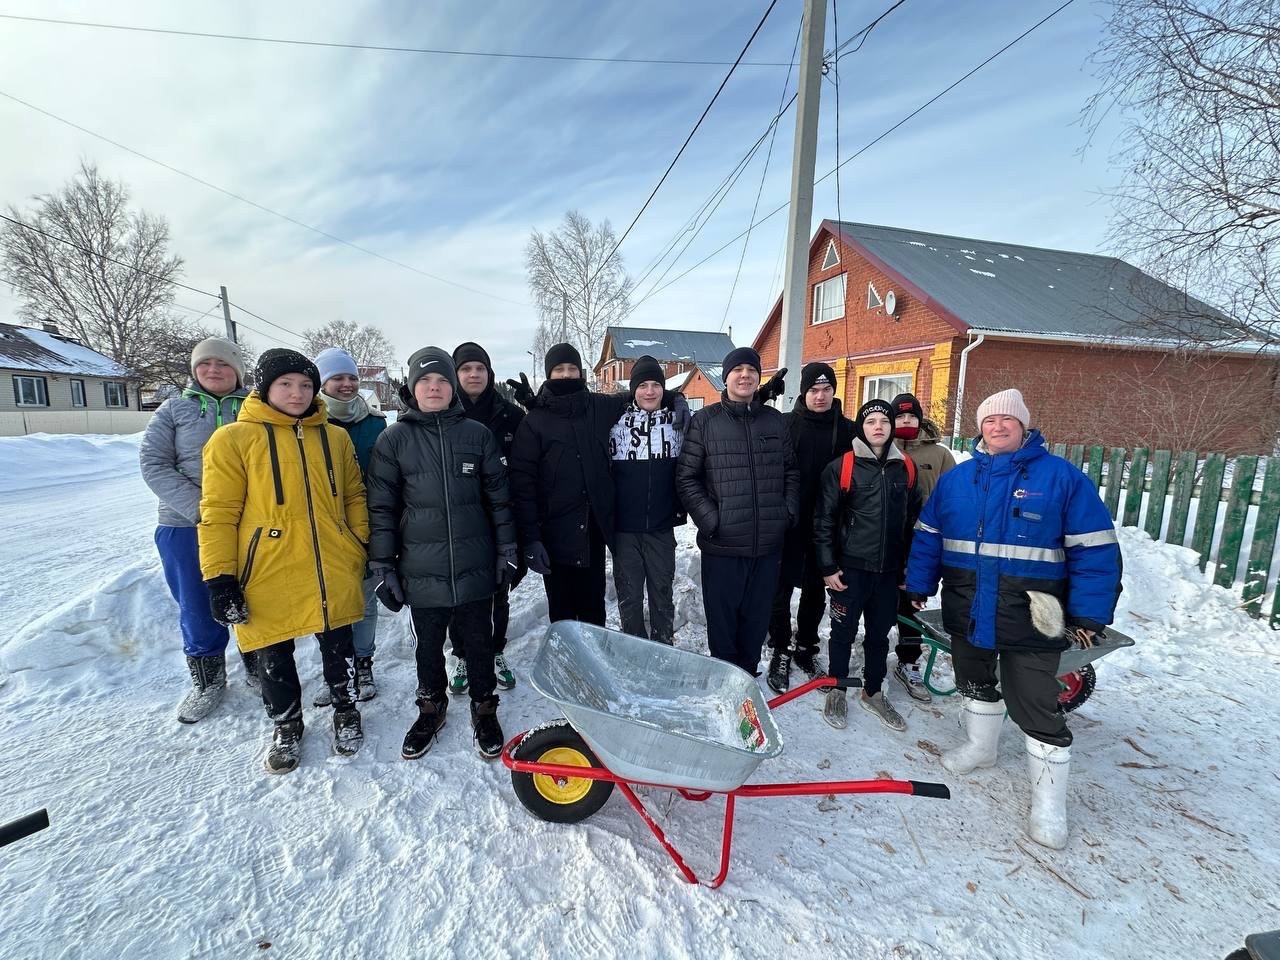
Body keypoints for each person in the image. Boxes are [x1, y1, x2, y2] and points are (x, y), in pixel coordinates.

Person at [904, 388, 1122, 849]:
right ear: (979, 428)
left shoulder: (1061, 478)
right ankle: (982, 749)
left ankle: (1049, 804)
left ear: (1024, 426)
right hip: (969, 605)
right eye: (989, 421)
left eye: (1007, 420)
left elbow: (1096, 551)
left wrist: (1087, 613)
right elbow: (928, 536)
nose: (997, 427)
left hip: (1035, 615)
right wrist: (919, 584)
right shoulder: (958, 481)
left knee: (1036, 703)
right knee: (973, 677)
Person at [199, 349, 369, 774]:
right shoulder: (233, 440)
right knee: (273, 653)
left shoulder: (334, 437)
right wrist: (219, 578)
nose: (297, 393)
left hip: (330, 561)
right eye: (286, 384)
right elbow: (217, 513)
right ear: (265, 388)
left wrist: (357, 544)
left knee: (339, 645)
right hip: (266, 568)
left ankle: (346, 710)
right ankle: (287, 724)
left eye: (306, 385)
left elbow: (354, 497)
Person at [366, 348, 518, 761]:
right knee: (427, 646)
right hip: (420, 568)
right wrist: (382, 565)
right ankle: (430, 708)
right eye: (426, 381)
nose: (434, 388)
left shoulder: (476, 435)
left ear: (452, 389)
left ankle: (484, 708)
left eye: (442, 381)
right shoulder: (393, 439)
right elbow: (381, 509)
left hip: (475, 563)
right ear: (413, 388)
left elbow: (498, 500)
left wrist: (507, 549)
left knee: (480, 642)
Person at [140, 337, 256, 724]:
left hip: (248, 523)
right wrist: (203, 510)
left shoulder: (256, 408)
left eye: (222, 364)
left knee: (255, 593)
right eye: (205, 364)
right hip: (184, 525)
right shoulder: (174, 410)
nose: (213, 370)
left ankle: (258, 664)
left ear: (237, 371)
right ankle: (207, 680)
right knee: (196, 601)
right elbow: (155, 464)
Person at [676, 347, 798, 675]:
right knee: (723, 622)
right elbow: (687, 478)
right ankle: (725, 681)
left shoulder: (774, 421)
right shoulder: (705, 421)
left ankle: (746, 680)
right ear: (726, 377)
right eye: (737, 369)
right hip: (724, 546)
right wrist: (711, 520)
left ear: (759, 378)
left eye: (752, 369)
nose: (745, 375)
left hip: (767, 547)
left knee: (757, 621)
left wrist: (785, 514)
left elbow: (791, 471)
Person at [813, 398, 921, 732]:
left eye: (885, 422)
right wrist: (829, 567)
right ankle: (839, 686)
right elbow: (823, 522)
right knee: (842, 633)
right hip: (850, 570)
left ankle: (873, 690)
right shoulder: (842, 467)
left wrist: (909, 570)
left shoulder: (907, 468)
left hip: (888, 573)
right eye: (871, 421)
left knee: (879, 635)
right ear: (862, 427)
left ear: (892, 428)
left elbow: (914, 525)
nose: (878, 427)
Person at [507, 343, 626, 627]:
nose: (566, 375)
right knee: (562, 616)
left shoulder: (600, 406)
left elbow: (644, 392)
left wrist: (676, 399)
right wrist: (532, 539)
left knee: (593, 613)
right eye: (559, 370)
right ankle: (563, 668)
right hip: (554, 535)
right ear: (549, 375)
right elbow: (523, 484)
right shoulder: (534, 422)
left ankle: (591, 668)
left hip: (592, 533)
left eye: (572, 369)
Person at [766, 362, 854, 693]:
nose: (820, 396)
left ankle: (806, 648)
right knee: (781, 587)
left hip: (828, 526)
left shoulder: (847, 430)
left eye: (826, 390)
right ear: (803, 392)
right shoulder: (785, 425)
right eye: (813, 390)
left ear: (834, 391)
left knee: (817, 590)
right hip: (789, 523)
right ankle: (780, 648)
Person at [446, 341, 526, 696]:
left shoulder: (510, 415)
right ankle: (462, 654)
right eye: (465, 369)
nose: (473, 374)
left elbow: (525, 472)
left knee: (499, 592)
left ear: (489, 373)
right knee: (459, 594)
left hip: (500, 521)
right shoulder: (443, 416)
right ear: (455, 374)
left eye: (479, 368)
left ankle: (495, 651)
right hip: (457, 521)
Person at [311, 347, 387, 706]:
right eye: (337, 378)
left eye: (351, 377)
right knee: (325, 602)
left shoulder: (374, 423)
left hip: (366, 523)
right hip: (322, 526)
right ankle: (335, 670)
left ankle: (364, 661)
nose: (346, 384)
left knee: (364, 599)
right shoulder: (308, 421)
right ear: (322, 382)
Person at [609, 355, 686, 646]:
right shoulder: (615, 422)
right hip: (624, 531)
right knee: (629, 597)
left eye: (656, 385)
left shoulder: (677, 423)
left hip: (661, 529)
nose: (650, 391)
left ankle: (663, 646)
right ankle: (634, 649)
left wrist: (678, 401)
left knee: (661, 593)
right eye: (643, 385)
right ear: (633, 390)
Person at [889, 392, 956, 703]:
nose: (905, 421)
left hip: (921, 540)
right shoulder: (880, 446)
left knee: (911, 601)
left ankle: (908, 660)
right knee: (876, 600)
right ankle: (872, 652)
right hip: (885, 538)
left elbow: (954, 496)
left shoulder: (939, 454)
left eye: (911, 416)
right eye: (900, 417)